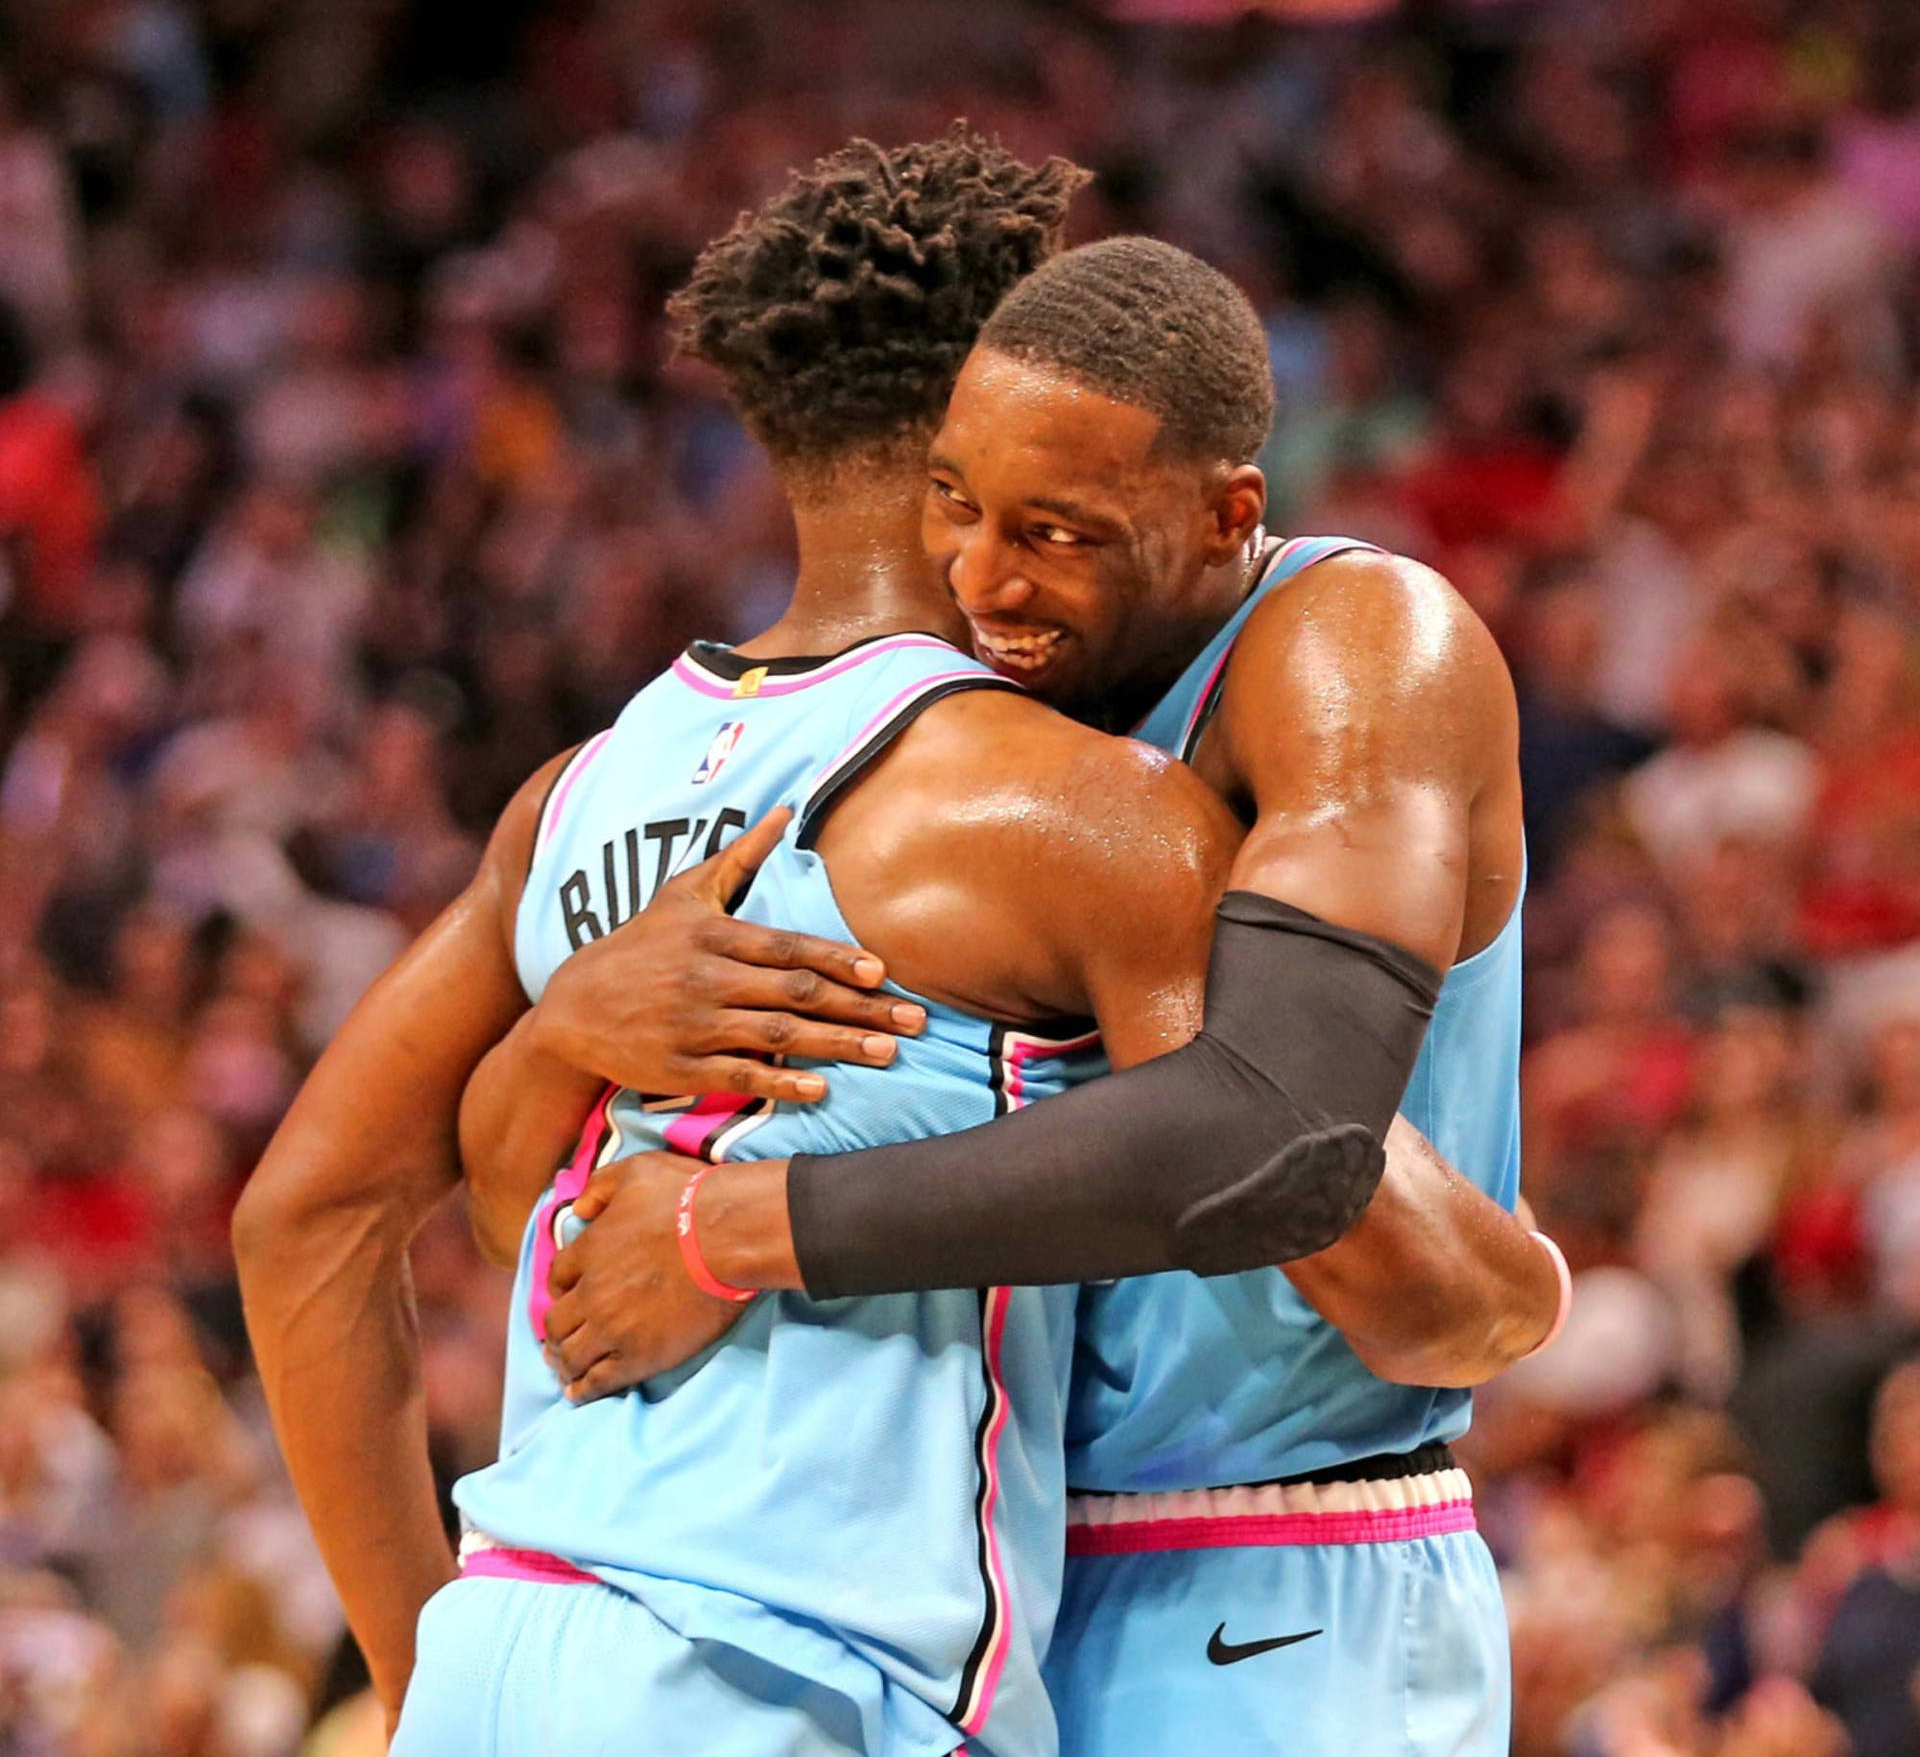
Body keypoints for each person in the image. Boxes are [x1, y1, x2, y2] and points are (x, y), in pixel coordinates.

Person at [236, 134, 1546, 1756]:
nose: (997, 573)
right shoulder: (1022, 787)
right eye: (971, 506)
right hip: (950, 1607)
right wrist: (570, 1037)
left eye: (1056, 523)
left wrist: (433, 1666)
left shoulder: (1335, 645)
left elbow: (1304, 1161)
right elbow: (505, 1205)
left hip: (1261, 1567)